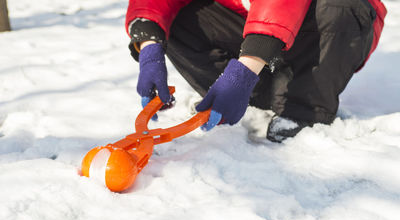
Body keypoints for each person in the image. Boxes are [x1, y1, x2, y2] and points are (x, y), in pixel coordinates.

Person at [125, 0, 387, 142]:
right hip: (247, 21)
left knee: (341, 5)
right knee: (182, 16)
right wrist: (150, 47)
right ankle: (242, 95)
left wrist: (245, 70)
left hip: (317, 22)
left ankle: (305, 107)